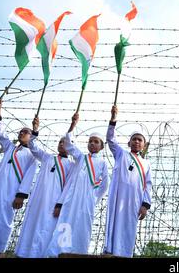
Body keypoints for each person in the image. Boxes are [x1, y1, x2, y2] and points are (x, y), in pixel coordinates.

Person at [46, 112, 108, 257]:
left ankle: (78, 253)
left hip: (87, 202)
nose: (92, 143)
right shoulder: (81, 157)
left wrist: (94, 199)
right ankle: (60, 253)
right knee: (65, 224)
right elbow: (68, 144)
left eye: (96, 142)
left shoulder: (103, 163)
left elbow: (105, 185)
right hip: (71, 200)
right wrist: (73, 125)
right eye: (90, 141)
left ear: (101, 146)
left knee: (82, 227)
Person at [14, 116, 74, 258]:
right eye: (60, 142)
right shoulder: (47, 157)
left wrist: (60, 204)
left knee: (47, 231)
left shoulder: (72, 166)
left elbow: (68, 188)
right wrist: (35, 129)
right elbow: (33, 146)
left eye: (65, 143)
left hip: (54, 204)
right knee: (32, 227)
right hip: (38, 201)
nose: (61, 144)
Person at [104, 105, 152, 257]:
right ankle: (110, 251)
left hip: (135, 201)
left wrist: (145, 205)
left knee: (128, 228)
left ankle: (125, 254)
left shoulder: (146, 164)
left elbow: (148, 185)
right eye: (134, 139)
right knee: (114, 222)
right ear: (129, 142)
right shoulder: (121, 154)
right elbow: (110, 139)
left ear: (144, 145)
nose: (137, 142)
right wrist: (113, 119)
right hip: (118, 197)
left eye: (140, 140)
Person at [0, 99, 37, 257]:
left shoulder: (32, 155)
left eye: (26, 132)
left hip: (12, 193)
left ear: (31, 137)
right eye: (21, 131)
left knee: (4, 220)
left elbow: (29, 177)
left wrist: (21, 195)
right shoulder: (10, 147)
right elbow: (1, 134)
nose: (22, 133)